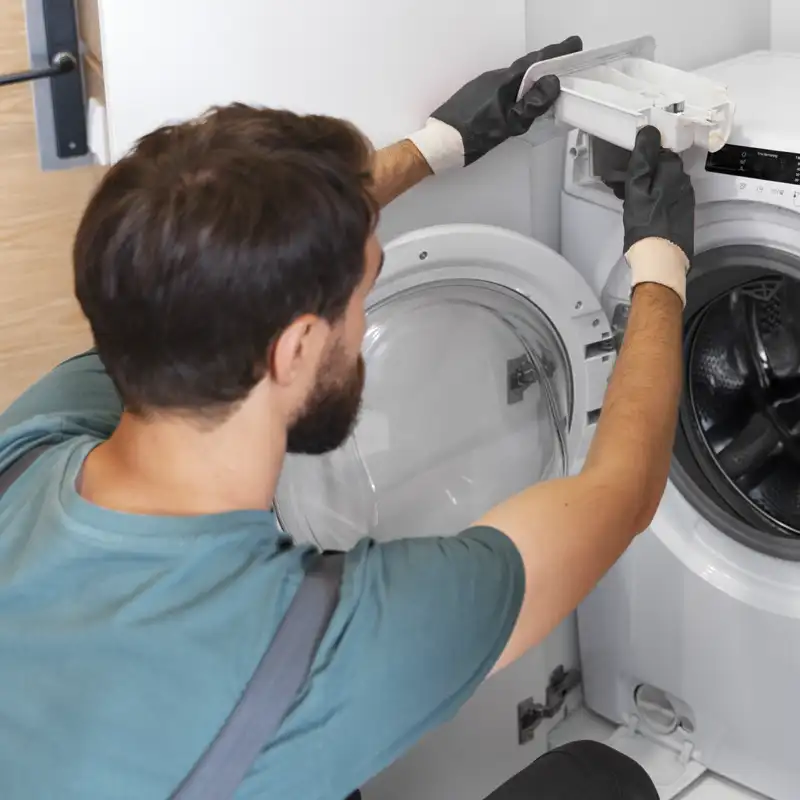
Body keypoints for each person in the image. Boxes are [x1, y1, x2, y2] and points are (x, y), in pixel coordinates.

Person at [0, 33, 693, 800]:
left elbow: (212, 261)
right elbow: (623, 491)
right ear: (294, 347)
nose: (363, 329)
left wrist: (434, 148)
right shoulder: (322, 645)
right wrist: (662, 263)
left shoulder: (32, 447)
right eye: (362, 298)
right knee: (598, 781)